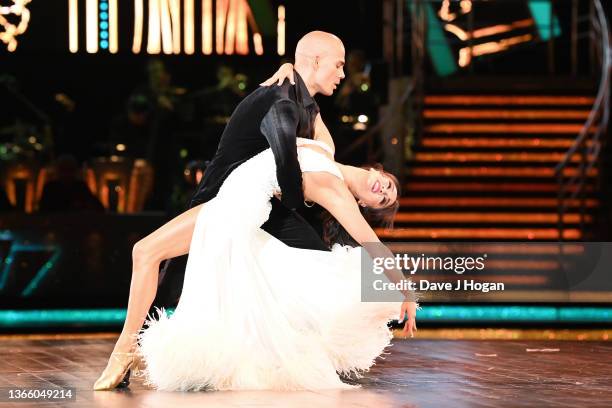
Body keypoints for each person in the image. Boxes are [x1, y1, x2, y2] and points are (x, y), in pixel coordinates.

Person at [93, 31, 417, 391]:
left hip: (245, 204)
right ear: (375, 169)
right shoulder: (297, 108)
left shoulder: (309, 123)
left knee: (154, 256)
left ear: (365, 205)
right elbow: (285, 142)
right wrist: (288, 70)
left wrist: (403, 291)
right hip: (224, 197)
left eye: (384, 200)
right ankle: (130, 350)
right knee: (163, 265)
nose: (344, 74)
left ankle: (126, 351)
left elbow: (364, 237)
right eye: (339, 65)